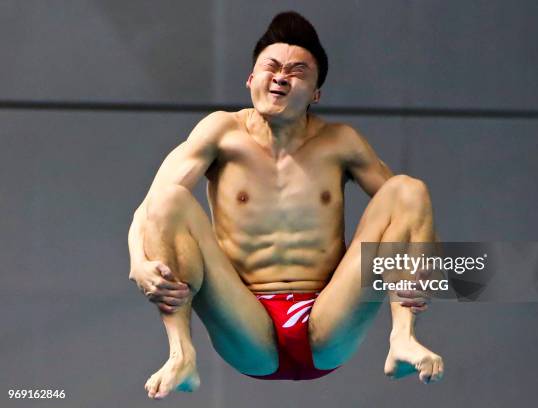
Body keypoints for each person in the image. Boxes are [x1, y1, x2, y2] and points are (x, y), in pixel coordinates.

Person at [128, 11, 444, 400]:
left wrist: (426, 268)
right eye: (272, 67)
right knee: (168, 197)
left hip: (330, 321)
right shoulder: (220, 133)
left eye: (297, 71)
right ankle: (180, 354)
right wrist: (137, 263)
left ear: (315, 94)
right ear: (250, 80)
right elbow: (150, 208)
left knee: (407, 189)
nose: (281, 77)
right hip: (245, 323)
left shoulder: (340, 142)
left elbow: (410, 216)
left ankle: (403, 338)